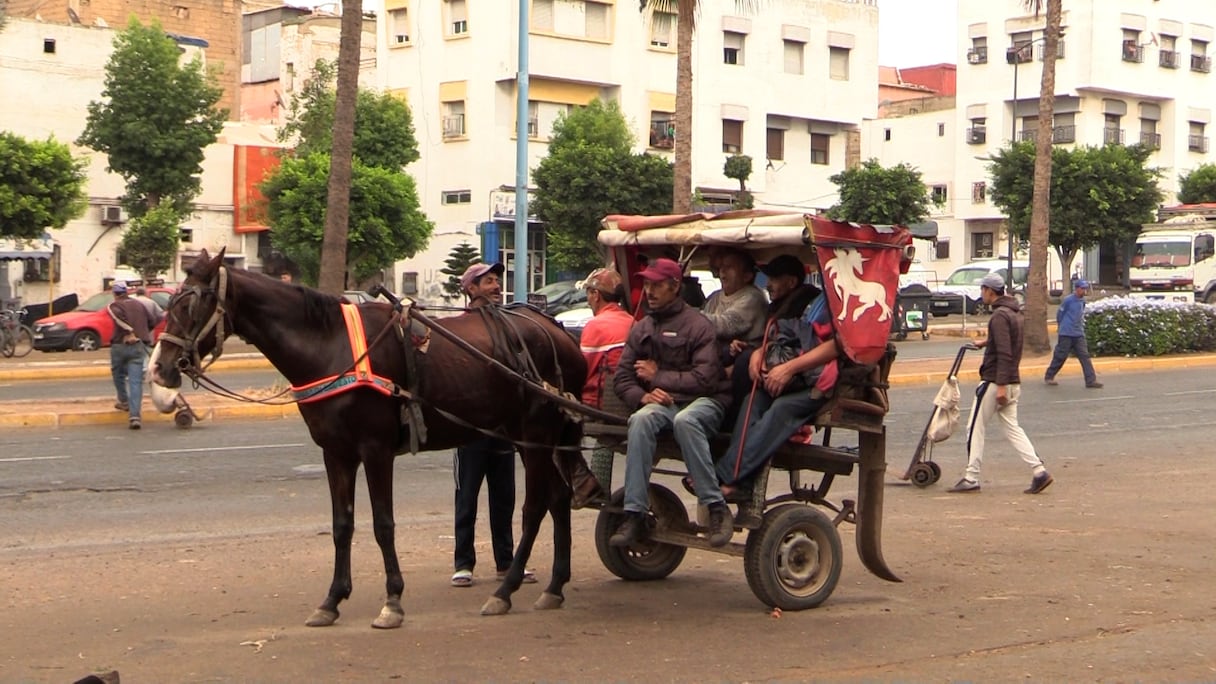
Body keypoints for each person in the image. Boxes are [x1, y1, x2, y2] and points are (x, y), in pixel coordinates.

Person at [610, 258, 734, 548]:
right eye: (647, 285)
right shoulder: (642, 327)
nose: (649, 291)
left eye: (656, 285)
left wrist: (659, 378)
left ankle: (716, 507)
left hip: (706, 401)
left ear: (674, 287)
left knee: (685, 421)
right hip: (665, 403)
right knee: (640, 419)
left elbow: (706, 379)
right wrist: (643, 396)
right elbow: (622, 379)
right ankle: (634, 514)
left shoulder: (698, 325)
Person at [716, 255, 838, 498]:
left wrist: (789, 368)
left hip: (818, 380)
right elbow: (777, 340)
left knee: (781, 408)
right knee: (753, 401)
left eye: (773, 279)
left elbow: (836, 346)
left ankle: (726, 476)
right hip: (792, 377)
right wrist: (757, 354)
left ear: (791, 282)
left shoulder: (823, 302)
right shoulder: (782, 305)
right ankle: (739, 481)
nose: (767, 284)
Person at [450, 261, 532, 587]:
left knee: (504, 498)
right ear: (471, 289)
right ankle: (463, 563)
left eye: (497, 281)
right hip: (469, 429)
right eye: (488, 282)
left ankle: (506, 562)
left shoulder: (508, 324)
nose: (496, 286)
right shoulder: (457, 327)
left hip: (503, 427)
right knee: (466, 496)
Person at [949, 273, 1054, 495]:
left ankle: (971, 476)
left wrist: (1001, 386)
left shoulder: (998, 316)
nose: (981, 294)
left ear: (989, 290)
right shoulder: (1014, 313)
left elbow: (1005, 352)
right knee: (1013, 429)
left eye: (983, 290)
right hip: (1013, 381)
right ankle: (1039, 471)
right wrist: (985, 342)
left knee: (975, 428)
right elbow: (1007, 339)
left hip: (996, 381)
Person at [701, 248, 768, 372]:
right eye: (721, 267)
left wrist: (689, 316)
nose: (723, 271)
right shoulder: (715, 296)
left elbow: (726, 325)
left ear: (747, 276)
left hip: (740, 355)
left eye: (729, 267)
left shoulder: (752, 297)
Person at [577, 267, 633, 409]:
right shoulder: (633, 322)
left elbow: (583, 371)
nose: (588, 301)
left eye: (588, 293)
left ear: (596, 295)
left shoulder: (595, 326)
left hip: (596, 403)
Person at [107, 281, 155, 430]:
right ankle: (135, 416)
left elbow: (118, 318)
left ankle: (123, 400)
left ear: (115, 293)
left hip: (120, 346)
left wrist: (130, 332)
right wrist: (143, 334)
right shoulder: (139, 305)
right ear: (126, 291)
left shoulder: (114, 306)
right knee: (135, 382)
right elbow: (152, 321)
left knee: (118, 374)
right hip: (139, 346)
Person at [1044, 279, 1102, 389]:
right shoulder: (1068, 300)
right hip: (1066, 332)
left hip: (1078, 333)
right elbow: (1060, 314)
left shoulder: (1082, 301)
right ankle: (1049, 375)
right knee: (1061, 355)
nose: (1084, 291)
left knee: (1084, 356)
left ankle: (1091, 380)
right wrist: (1062, 327)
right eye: (1082, 288)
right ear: (1077, 289)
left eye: (1085, 288)